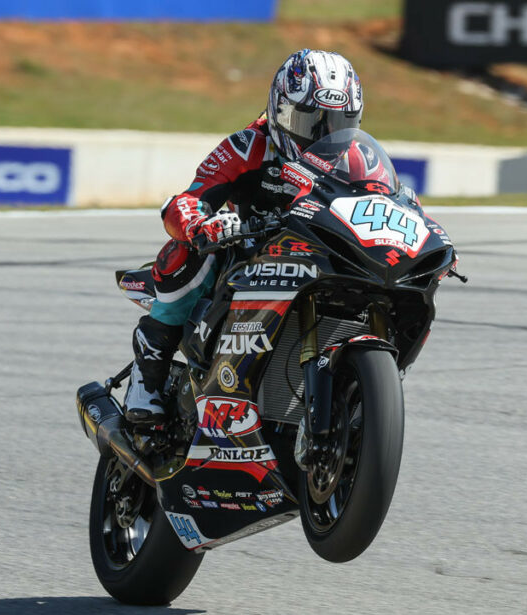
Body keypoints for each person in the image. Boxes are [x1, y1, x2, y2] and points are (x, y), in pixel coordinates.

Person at [125, 49, 364, 426]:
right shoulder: (247, 145)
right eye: (308, 121)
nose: (321, 134)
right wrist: (203, 226)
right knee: (186, 254)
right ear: (280, 110)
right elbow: (186, 201)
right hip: (248, 258)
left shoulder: (356, 158)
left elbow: (387, 203)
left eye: (336, 122)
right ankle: (147, 376)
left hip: (318, 257)